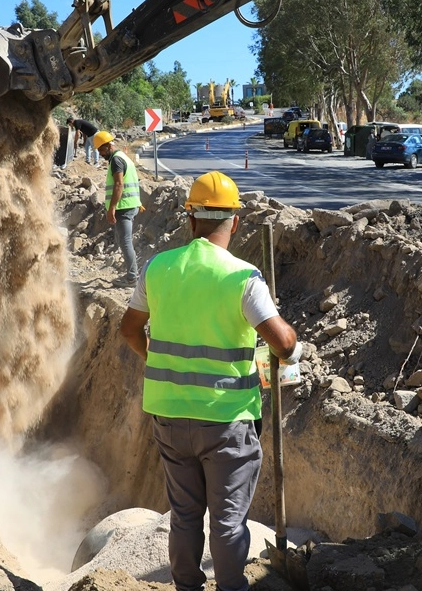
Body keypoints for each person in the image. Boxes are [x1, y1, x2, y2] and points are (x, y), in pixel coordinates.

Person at [119, 171, 301, 591]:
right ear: (234, 222)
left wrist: (162, 364)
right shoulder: (242, 277)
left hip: (169, 416)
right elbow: (282, 341)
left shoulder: (157, 268)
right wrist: (294, 352)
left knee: (184, 516)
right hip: (227, 422)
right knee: (227, 522)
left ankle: (187, 587)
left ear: (190, 218)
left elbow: (130, 330)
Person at [94, 131, 140, 286]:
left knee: (125, 241)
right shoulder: (123, 157)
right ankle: (132, 275)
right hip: (129, 204)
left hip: (123, 207)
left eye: (100, 150)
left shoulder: (116, 160)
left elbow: (119, 184)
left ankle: (132, 277)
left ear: (107, 146)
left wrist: (111, 208)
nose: (100, 154)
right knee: (123, 240)